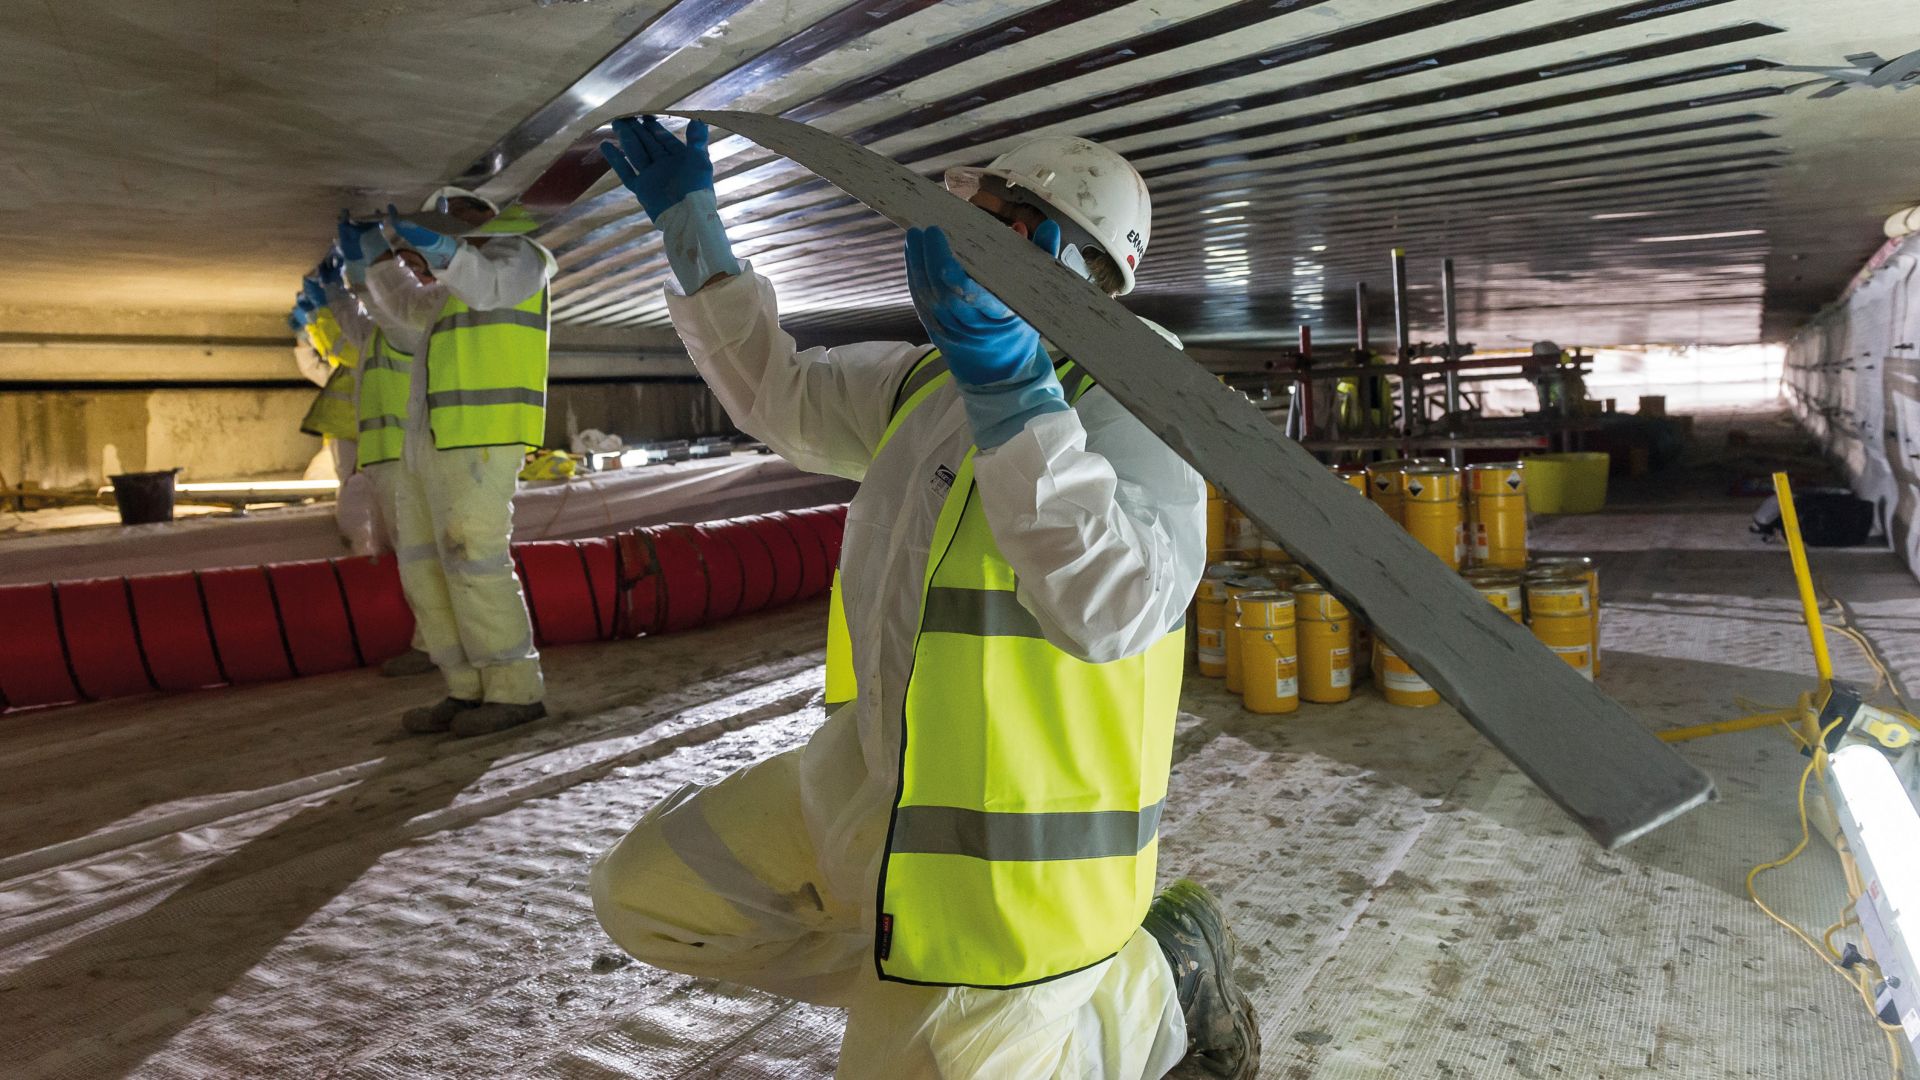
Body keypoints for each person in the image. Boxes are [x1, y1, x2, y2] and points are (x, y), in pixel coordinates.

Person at [588, 117, 1259, 1079]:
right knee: (646, 895)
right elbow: (781, 396)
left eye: (986, 216)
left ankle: (1150, 987)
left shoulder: (1142, 398)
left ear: (1058, 247)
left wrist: (1020, 400)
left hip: (1010, 882)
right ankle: (907, 990)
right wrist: (697, 236)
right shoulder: (931, 385)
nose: (953, 234)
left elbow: (1117, 607)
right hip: (865, 794)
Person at [360, 187, 555, 737]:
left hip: (482, 437)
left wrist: (444, 254)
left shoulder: (520, 257)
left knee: (472, 557)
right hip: (433, 440)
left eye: (425, 252)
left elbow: (490, 286)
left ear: (477, 220)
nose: (420, 265)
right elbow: (402, 314)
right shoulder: (449, 290)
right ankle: (465, 688)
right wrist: (375, 264)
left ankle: (515, 691)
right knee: (424, 566)